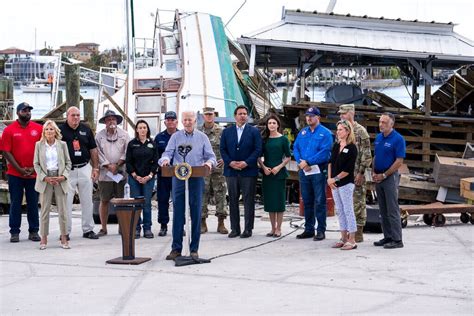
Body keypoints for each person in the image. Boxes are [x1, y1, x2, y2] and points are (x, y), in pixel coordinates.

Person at [159, 111, 216, 260]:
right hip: (178, 178)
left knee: (196, 212)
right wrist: (165, 160)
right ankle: (176, 249)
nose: (188, 122)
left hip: (196, 177)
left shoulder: (202, 137)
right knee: (178, 212)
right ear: (182, 122)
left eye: (190, 120)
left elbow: (211, 157)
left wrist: (208, 163)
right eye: (185, 120)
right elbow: (167, 153)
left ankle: (194, 249)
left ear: (195, 120)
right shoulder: (175, 137)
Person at [2, 102, 43, 243]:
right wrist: (19, 169)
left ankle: (34, 231)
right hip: (15, 174)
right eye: (24, 110)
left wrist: (34, 167)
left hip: (34, 173)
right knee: (15, 202)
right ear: (18, 113)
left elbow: (42, 150)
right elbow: (6, 151)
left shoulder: (38, 129)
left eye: (29, 110)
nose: (27, 113)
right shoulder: (9, 130)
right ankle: (14, 232)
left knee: (33, 203)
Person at [220, 105, 262, 238]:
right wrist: (230, 162)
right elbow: (223, 149)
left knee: (248, 200)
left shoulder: (254, 132)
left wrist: (246, 162)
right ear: (235, 116)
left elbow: (257, 149)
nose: (242, 115)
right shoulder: (227, 132)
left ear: (247, 116)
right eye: (240, 113)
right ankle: (235, 228)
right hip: (231, 171)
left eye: (244, 113)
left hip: (248, 171)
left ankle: (248, 229)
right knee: (232, 200)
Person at [293, 106, 332, 241]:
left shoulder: (325, 133)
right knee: (307, 200)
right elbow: (296, 147)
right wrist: (300, 162)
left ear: (318, 118)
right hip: (304, 172)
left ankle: (320, 230)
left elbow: (325, 152)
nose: (309, 118)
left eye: (312, 116)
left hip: (318, 171)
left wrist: (308, 162)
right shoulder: (303, 132)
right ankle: (309, 229)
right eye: (307, 116)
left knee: (320, 201)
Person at [60, 106, 99, 240]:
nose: (76, 118)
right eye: (73, 115)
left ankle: (88, 229)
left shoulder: (86, 129)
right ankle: (65, 231)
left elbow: (93, 149)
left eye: (78, 115)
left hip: (84, 168)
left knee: (87, 200)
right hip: (67, 170)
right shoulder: (60, 130)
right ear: (67, 116)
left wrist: (95, 168)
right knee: (66, 202)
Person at [33, 120, 72, 250]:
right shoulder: (39, 145)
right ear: (44, 132)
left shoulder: (62, 145)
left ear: (56, 131)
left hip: (60, 178)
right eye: (47, 129)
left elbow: (68, 163)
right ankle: (43, 238)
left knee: (63, 210)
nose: (49, 131)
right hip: (45, 178)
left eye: (51, 129)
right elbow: (36, 164)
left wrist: (63, 176)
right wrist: (45, 177)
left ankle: (64, 237)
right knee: (44, 210)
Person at [338, 104, 372, 242]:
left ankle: (358, 232)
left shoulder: (361, 131)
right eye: (340, 114)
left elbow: (367, 154)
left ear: (351, 113)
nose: (341, 116)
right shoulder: (342, 131)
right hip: (343, 174)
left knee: (358, 203)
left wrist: (361, 173)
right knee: (344, 204)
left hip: (356, 173)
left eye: (344, 113)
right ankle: (346, 231)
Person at [372, 113, 406, 249]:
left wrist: (384, 175)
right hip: (378, 176)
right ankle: (388, 236)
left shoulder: (398, 139)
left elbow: (399, 161)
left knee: (392, 209)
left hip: (389, 177)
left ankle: (397, 240)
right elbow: (376, 156)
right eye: (380, 122)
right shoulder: (379, 137)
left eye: (384, 122)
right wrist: (373, 172)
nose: (381, 125)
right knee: (383, 209)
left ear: (392, 124)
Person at [95, 110, 129, 236]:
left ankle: (122, 227)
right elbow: (97, 152)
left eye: (113, 119)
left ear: (117, 121)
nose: (111, 122)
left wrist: (118, 164)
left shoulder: (125, 135)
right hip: (105, 173)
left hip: (121, 172)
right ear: (105, 122)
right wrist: (108, 165)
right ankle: (103, 228)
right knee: (104, 200)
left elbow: (127, 151)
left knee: (121, 201)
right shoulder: (99, 136)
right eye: (108, 119)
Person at [327, 120, 358, 250]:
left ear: (347, 131)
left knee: (348, 210)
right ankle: (343, 237)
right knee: (339, 210)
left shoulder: (352, 148)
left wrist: (334, 178)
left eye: (341, 129)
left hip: (345, 183)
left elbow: (348, 170)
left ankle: (352, 239)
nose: (338, 132)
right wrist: (329, 179)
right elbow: (330, 163)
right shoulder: (336, 146)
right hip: (334, 183)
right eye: (337, 129)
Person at [258, 115, 291, 237]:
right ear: (267, 125)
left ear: (278, 125)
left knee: (279, 202)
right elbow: (259, 156)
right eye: (269, 123)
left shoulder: (283, 140)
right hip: (267, 173)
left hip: (279, 173)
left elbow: (288, 157)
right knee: (270, 202)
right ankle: (272, 228)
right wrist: (263, 167)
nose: (271, 125)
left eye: (274, 123)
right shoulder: (264, 139)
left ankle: (279, 228)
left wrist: (279, 167)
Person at [126, 120, 158, 239]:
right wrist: (136, 176)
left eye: (145, 127)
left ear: (147, 129)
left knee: (147, 203)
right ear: (137, 130)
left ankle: (147, 228)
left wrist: (149, 176)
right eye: (140, 127)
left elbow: (156, 162)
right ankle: (136, 228)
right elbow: (128, 162)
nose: (143, 129)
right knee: (136, 204)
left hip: (148, 178)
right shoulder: (132, 144)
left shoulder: (152, 144)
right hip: (135, 178)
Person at [199, 107, 228, 234]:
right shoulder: (198, 131)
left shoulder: (221, 131)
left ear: (214, 116)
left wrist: (226, 159)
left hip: (218, 168)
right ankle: (202, 222)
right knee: (202, 194)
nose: (209, 117)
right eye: (207, 114)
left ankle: (221, 222)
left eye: (211, 114)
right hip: (203, 169)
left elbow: (228, 147)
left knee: (220, 194)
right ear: (203, 116)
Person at [154, 111, 178, 237]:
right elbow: (155, 155)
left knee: (178, 201)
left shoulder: (182, 135)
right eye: (168, 120)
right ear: (165, 122)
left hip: (178, 174)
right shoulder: (159, 137)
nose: (170, 122)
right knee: (163, 200)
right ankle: (163, 225)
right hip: (163, 174)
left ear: (176, 121)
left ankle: (180, 225)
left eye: (172, 119)